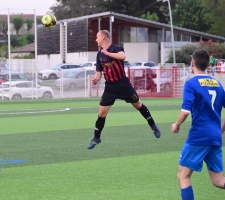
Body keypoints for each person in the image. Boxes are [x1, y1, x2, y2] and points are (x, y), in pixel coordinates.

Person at [87, 30, 161, 149]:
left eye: (97, 37)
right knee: (101, 112)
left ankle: (152, 125)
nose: (96, 40)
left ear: (104, 37)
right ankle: (96, 138)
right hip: (110, 87)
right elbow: (99, 72)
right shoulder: (99, 54)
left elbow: (123, 56)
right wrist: (96, 79)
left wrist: (108, 53)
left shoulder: (116, 48)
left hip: (123, 84)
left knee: (138, 105)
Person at [171, 49, 225, 200]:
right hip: (215, 136)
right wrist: (220, 130)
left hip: (199, 135)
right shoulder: (218, 84)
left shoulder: (191, 84)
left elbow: (185, 111)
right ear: (208, 64)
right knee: (218, 180)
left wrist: (177, 124)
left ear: (192, 63)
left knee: (183, 175)